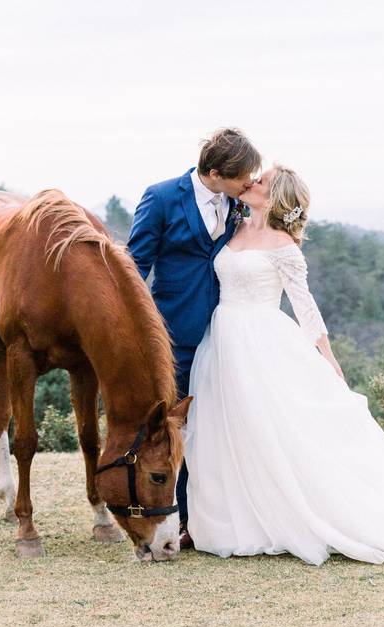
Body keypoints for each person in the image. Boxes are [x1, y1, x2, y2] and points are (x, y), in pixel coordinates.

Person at [185, 164, 384, 565]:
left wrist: (329, 360)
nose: (252, 182)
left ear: (274, 197)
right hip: (220, 339)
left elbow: (305, 307)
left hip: (261, 343)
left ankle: (293, 515)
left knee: (271, 429)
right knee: (225, 428)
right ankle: (236, 519)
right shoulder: (234, 228)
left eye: (262, 181)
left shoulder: (284, 245)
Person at [127, 128, 261, 547]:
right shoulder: (163, 197)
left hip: (226, 331)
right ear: (216, 172)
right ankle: (182, 521)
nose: (250, 183)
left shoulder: (240, 203)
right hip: (174, 336)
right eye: (244, 177)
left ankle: (225, 512)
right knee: (178, 430)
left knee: (223, 423)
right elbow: (134, 268)